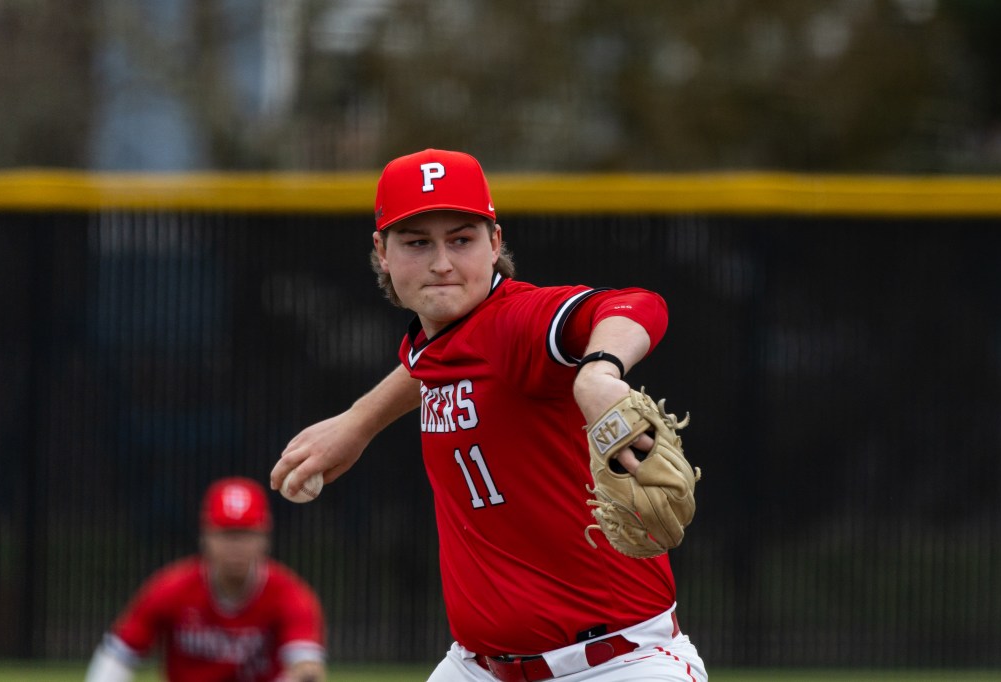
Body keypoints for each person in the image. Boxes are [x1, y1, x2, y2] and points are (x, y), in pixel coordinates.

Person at [271, 148, 707, 681]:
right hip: (476, 667)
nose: (442, 263)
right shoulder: (442, 344)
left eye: (461, 239)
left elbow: (636, 305)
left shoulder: (517, 324)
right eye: (417, 243)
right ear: (382, 251)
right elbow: (432, 366)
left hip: (617, 664)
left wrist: (599, 372)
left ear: (495, 242)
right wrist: (359, 422)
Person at [85, 476, 326, 682]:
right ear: (205, 536)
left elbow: (307, 669)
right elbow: (117, 655)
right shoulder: (171, 588)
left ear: (265, 538)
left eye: (246, 534)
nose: (236, 546)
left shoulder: (289, 594)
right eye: (226, 534)